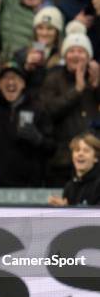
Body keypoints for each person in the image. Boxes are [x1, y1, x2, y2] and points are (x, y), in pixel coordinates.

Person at [39, 24, 99, 187]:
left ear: (89, 57)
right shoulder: (54, 77)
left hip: (94, 161)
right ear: (65, 55)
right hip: (61, 160)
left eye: (81, 51)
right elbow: (47, 110)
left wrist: (96, 86)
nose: (76, 55)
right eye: (72, 51)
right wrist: (77, 90)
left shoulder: (95, 79)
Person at [0, 61, 54, 187]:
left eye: (16, 78)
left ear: (23, 84)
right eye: (6, 78)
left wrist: (38, 139)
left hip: (28, 186)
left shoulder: (37, 108)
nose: (11, 82)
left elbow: (51, 148)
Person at [48, 132, 100, 207]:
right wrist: (62, 208)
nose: (80, 154)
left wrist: (67, 208)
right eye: (77, 150)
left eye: (86, 151)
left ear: (96, 158)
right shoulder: (69, 186)